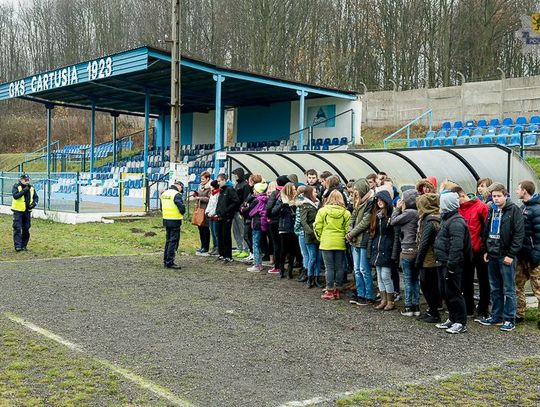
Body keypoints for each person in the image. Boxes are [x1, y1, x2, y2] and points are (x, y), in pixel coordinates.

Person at [478, 183, 524, 332]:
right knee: (495, 287)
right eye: (494, 196)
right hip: (492, 253)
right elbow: (486, 230)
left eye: (499, 196)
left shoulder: (514, 210)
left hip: (506, 255)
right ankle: (496, 316)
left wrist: (511, 254)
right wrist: (486, 249)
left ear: (505, 195)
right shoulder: (492, 209)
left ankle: (509, 319)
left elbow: (518, 234)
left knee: (508, 289)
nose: (496, 199)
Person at [434, 192, 471, 334]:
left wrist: (451, 265)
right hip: (442, 261)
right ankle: (452, 317)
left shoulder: (456, 222)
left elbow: (457, 246)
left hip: (452, 264)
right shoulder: (447, 219)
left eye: (442, 203)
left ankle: (461, 322)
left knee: (454, 292)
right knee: (445, 291)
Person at [452, 185, 489, 318]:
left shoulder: (481, 207)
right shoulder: (458, 210)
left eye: (457, 200)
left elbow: (486, 229)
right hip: (465, 250)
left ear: (462, 196)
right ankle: (468, 308)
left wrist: (485, 249)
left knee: (483, 280)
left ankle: (483, 310)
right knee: (465, 280)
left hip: (479, 249)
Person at [315, 190, 351, 300]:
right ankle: (337, 289)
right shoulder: (346, 213)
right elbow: (347, 229)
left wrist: (321, 238)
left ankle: (329, 290)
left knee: (329, 267)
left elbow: (317, 227)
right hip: (340, 242)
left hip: (326, 242)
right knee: (339, 267)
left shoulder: (322, 211)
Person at [390, 189, 420, 317]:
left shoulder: (409, 213)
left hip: (407, 250)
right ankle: (416, 306)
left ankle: (409, 307)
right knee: (415, 279)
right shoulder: (418, 213)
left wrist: (397, 209)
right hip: (416, 250)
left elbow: (393, 221)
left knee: (408, 279)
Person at [515, 180, 540, 330]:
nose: (517, 191)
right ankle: (520, 313)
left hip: (534, 257)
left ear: (525, 191)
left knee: (537, 288)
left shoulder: (537, 210)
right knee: (518, 285)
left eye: (518, 189)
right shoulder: (522, 208)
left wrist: (536, 255)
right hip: (522, 256)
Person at [347, 179, 375, 305]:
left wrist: (351, 233)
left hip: (363, 239)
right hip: (355, 240)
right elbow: (353, 217)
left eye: (357, 191)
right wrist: (350, 231)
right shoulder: (359, 203)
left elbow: (365, 222)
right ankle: (360, 293)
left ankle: (369, 295)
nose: (355, 194)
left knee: (364, 269)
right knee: (357, 269)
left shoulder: (370, 202)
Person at [415, 193, 442, 323]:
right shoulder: (435, 218)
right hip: (432, 259)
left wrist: (418, 261)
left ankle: (434, 313)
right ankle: (432, 310)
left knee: (427, 286)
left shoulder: (429, 221)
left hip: (428, 260)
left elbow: (424, 243)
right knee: (431, 286)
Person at [370, 190, 396, 310]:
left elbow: (395, 235)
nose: (379, 202)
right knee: (380, 276)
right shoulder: (377, 216)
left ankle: (390, 300)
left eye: (381, 200)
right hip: (378, 249)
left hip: (387, 248)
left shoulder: (391, 216)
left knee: (385, 276)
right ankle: (383, 299)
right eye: (377, 200)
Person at [271, 182, 299, 279]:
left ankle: (289, 270)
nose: (295, 191)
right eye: (294, 189)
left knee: (292, 250)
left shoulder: (297, 200)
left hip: (293, 228)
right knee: (283, 250)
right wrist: (283, 205)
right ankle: (281, 269)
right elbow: (273, 211)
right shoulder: (282, 199)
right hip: (284, 227)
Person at [160, 180, 186, 269]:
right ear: (179, 187)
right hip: (175, 220)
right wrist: (183, 211)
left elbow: (161, 207)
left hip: (166, 219)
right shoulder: (176, 194)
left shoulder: (164, 194)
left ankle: (166, 260)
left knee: (168, 240)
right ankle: (170, 261)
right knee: (173, 241)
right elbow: (181, 208)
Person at [266, 176, 289, 274]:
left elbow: (269, 207)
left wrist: (269, 216)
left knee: (276, 244)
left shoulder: (275, 193)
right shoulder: (287, 193)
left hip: (274, 222)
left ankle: (277, 266)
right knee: (283, 244)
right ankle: (283, 265)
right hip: (284, 222)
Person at [215, 173, 240, 264]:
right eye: (217, 181)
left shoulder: (230, 189)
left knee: (226, 235)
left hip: (227, 216)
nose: (218, 183)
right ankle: (221, 253)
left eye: (219, 181)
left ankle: (228, 255)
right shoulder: (222, 190)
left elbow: (236, 201)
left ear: (224, 180)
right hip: (220, 216)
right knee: (220, 235)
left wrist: (227, 210)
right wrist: (218, 211)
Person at [301, 186, 322, 288]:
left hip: (319, 234)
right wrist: (310, 232)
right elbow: (303, 221)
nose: (316, 193)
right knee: (312, 257)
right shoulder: (305, 205)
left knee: (318, 258)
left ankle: (317, 278)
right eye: (314, 192)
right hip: (310, 235)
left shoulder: (319, 204)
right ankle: (310, 278)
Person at [11, 174, 39, 252]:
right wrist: (25, 190)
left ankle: (24, 245)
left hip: (27, 211)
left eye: (28, 180)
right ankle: (18, 246)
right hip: (18, 211)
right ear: (21, 180)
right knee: (17, 228)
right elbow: (15, 196)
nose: (27, 181)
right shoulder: (16, 186)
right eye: (25, 180)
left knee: (26, 228)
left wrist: (33, 204)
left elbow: (36, 198)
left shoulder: (32, 188)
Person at [247, 182, 269, 272]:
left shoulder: (257, 200)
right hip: (263, 224)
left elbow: (251, 212)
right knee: (259, 243)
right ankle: (259, 263)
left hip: (257, 223)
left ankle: (257, 265)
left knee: (255, 244)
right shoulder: (266, 199)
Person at [232, 168, 251, 259]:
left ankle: (245, 249)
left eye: (236, 174)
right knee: (236, 231)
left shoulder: (245, 185)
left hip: (240, 211)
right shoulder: (237, 185)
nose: (235, 176)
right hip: (234, 210)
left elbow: (245, 199)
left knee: (242, 230)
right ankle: (239, 247)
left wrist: (242, 209)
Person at [193, 171, 211, 256]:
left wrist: (200, 198)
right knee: (200, 229)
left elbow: (209, 199)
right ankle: (202, 245)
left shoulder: (210, 188)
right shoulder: (200, 186)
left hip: (206, 210)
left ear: (208, 179)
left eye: (203, 179)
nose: (202, 180)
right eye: (201, 179)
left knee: (205, 229)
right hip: (200, 209)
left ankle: (206, 247)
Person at [294, 186, 309, 282]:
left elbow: (298, 220)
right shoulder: (311, 202)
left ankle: (306, 271)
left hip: (302, 232)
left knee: (305, 254)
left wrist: (296, 230)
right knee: (310, 254)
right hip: (308, 231)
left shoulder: (300, 204)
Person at [205, 180, 221, 255]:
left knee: (216, 232)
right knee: (213, 233)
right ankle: (214, 246)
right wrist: (207, 211)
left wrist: (211, 213)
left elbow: (216, 206)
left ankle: (218, 247)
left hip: (215, 216)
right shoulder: (212, 194)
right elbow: (210, 204)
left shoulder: (218, 194)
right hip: (210, 216)